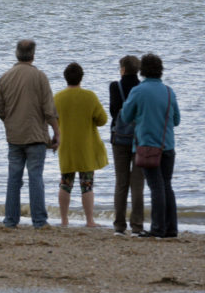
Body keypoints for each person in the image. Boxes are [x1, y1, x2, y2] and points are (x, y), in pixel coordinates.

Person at [0, 39, 60, 229]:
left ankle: (10, 219)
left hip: (14, 136)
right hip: (35, 136)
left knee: (14, 178)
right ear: (33, 55)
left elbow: (0, 110)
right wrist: (57, 132)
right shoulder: (40, 77)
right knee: (35, 178)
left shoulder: (5, 77)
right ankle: (39, 220)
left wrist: (11, 123)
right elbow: (49, 110)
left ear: (17, 53)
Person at [120, 53, 180, 239]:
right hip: (167, 145)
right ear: (160, 70)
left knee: (156, 187)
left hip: (147, 147)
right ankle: (171, 229)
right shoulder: (169, 91)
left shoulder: (138, 91)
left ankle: (158, 229)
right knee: (167, 185)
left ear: (142, 71)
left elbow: (125, 117)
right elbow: (176, 120)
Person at [54, 62, 108, 227]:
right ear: (81, 77)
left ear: (65, 78)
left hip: (66, 147)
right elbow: (102, 120)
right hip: (86, 148)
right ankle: (90, 220)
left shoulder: (57, 97)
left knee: (65, 183)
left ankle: (64, 220)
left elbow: (51, 120)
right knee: (87, 185)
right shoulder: (90, 96)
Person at [109, 54, 144, 236]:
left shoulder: (116, 86)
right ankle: (137, 226)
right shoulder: (142, 88)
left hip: (120, 138)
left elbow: (114, 112)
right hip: (139, 139)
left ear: (122, 69)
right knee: (137, 183)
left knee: (121, 182)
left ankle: (119, 226)